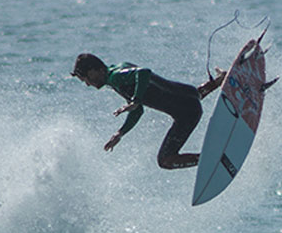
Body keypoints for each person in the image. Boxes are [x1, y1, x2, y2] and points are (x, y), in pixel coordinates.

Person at [72, 54, 225, 169]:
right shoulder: (119, 69)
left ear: (93, 71)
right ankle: (218, 81)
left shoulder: (116, 78)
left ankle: (211, 159)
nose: (87, 84)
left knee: (165, 160)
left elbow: (143, 72)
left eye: (85, 79)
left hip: (187, 113)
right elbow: (137, 110)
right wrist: (121, 133)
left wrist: (136, 100)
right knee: (174, 97)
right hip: (191, 94)